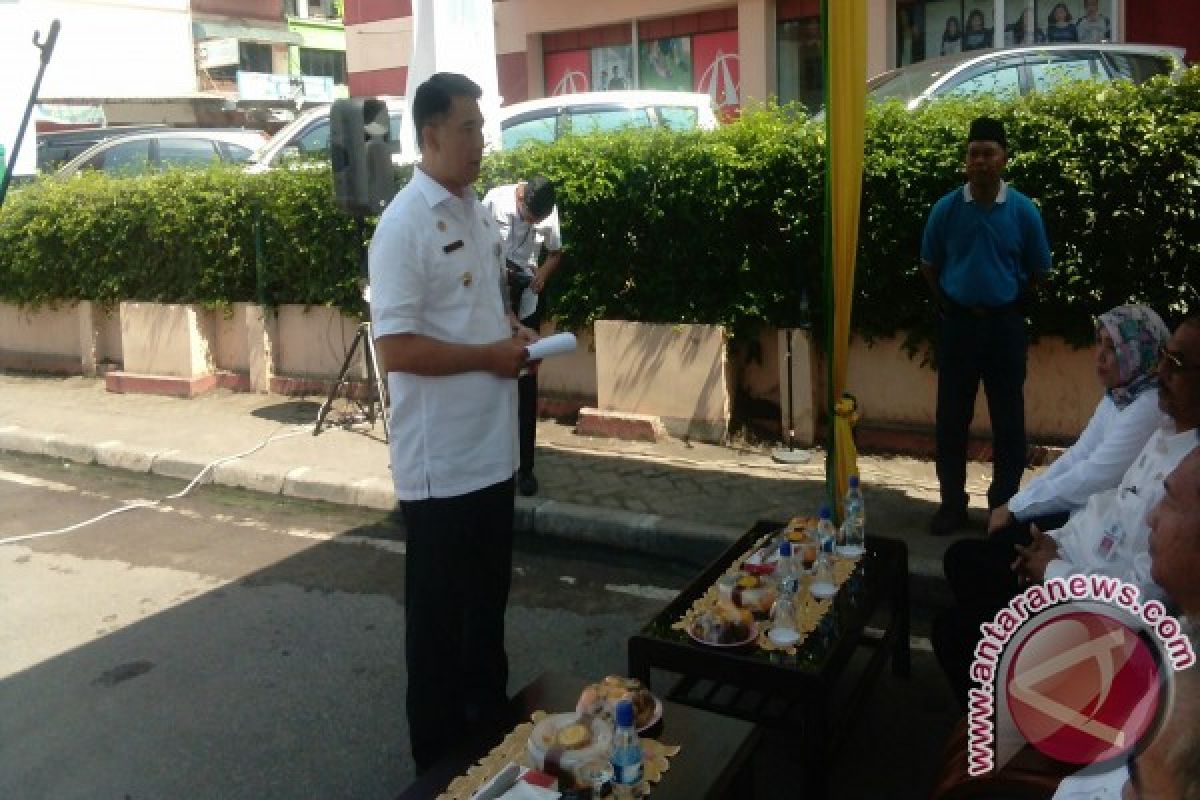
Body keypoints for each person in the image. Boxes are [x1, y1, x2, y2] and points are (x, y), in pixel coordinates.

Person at [368, 71, 537, 773]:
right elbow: (396, 348)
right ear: (431, 135)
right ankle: (438, 769)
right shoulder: (403, 224)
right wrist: (487, 358)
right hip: (441, 473)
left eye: (481, 127)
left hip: (492, 457)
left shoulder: (474, 212)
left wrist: (511, 336)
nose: (480, 141)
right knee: (439, 633)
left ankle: (489, 748)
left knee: (486, 618)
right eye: (468, 128)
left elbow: (475, 313)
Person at [941, 305, 1169, 635]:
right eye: (1099, 343)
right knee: (984, 556)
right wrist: (1017, 504)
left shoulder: (1148, 406)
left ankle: (998, 640)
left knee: (980, 563)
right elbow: (1078, 456)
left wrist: (1017, 509)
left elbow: (1095, 474)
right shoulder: (1120, 397)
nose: (1100, 357)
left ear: (1140, 352)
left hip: (1094, 538)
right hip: (1083, 526)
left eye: (1113, 348)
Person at [921, 116, 1052, 537]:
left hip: (1004, 329)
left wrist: (1008, 301)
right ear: (966, 160)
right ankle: (951, 506)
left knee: (1009, 422)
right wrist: (951, 305)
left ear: (1003, 159)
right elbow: (929, 265)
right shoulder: (946, 209)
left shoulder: (1023, 211)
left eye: (988, 153)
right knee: (950, 421)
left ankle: (1002, 507)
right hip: (958, 327)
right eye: (973, 153)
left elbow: (1038, 269)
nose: (979, 161)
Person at [1011, 317, 1200, 591]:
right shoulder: (1162, 426)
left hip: (1100, 608)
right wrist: (1056, 541)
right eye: (1163, 356)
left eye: (1177, 363)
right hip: (1080, 564)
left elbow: (1145, 597)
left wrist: (1054, 569)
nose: (1161, 370)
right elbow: (1104, 491)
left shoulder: (1185, 459)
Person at [483, 176, 564, 497]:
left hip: (526, 299)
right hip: (493, 299)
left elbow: (556, 253)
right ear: (520, 196)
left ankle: (526, 468)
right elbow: (479, 249)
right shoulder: (494, 199)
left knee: (526, 381)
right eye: (528, 218)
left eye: (537, 222)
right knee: (493, 377)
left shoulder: (549, 212)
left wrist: (541, 275)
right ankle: (492, 461)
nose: (532, 224)